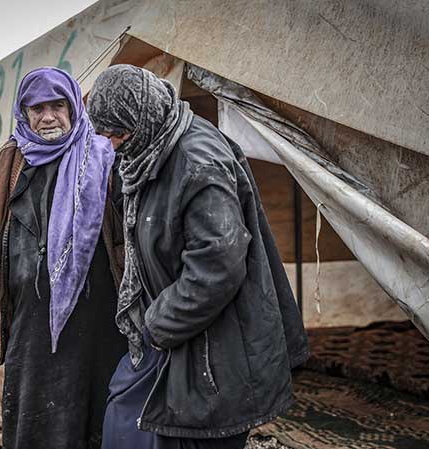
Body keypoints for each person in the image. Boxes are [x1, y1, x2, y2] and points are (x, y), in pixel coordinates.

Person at [86, 64, 310, 449]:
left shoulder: (197, 162)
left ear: (142, 116)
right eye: (105, 136)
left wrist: (158, 323)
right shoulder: (152, 147)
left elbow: (218, 265)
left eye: (118, 134)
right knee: (127, 419)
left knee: (188, 434)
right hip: (181, 332)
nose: (114, 145)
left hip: (214, 346)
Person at [0, 67, 127, 449]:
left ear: (74, 107)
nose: (48, 117)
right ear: (23, 112)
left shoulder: (106, 160)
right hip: (31, 325)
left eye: (57, 106)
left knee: (100, 420)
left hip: (100, 322)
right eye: (37, 108)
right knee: (34, 421)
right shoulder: (4, 169)